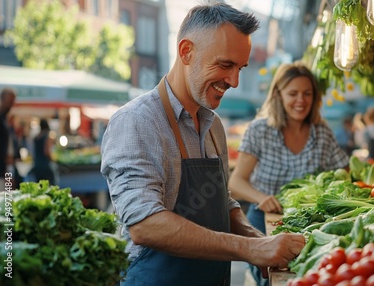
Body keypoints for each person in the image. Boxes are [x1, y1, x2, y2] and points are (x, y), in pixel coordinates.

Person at [100, 2, 305, 285]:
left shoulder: (213, 125)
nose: (233, 80)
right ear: (186, 51)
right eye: (225, 65)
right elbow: (144, 225)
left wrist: (259, 240)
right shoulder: (136, 121)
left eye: (240, 68)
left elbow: (223, 201)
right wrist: (251, 249)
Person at [228, 62, 349, 286]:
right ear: (278, 94)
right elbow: (235, 182)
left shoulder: (321, 131)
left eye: (307, 94)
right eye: (293, 93)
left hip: (309, 223)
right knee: (273, 279)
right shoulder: (260, 130)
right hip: (265, 219)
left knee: (316, 276)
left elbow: (344, 173)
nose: (300, 101)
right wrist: (261, 198)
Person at [0, 88, 16, 192]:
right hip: (0, 174)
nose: (11, 105)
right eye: (10, 101)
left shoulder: (4, 120)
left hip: (3, 172)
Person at [30, 118, 57, 185]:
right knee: (50, 186)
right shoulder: (47, 136)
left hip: (36, 165)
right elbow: (47, 151)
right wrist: (53, 159)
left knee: (39, 187)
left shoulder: (36, 137)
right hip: (45, 166)